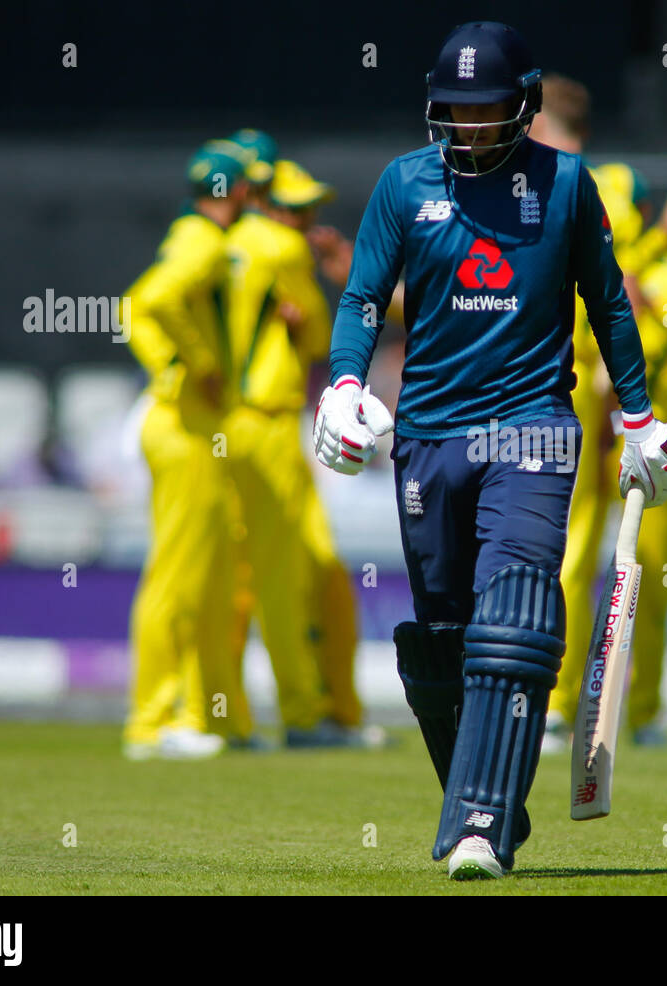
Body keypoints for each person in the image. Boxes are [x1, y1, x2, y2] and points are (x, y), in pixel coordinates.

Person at [313, 21, 667, 879]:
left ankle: (474, 824)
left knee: (514, 610)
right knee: (448, 634)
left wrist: (637, 417)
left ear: (523, 106)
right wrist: (342, 384)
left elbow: (611, 302)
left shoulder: (565, 186)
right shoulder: (404, 184)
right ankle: (491, 806)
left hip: (532, 427)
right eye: (456, 110)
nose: (471, 127)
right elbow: (365, 296)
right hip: (429, 434)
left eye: (487, 111)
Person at [548, 164, 667, 750]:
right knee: (570, 566)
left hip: (650, 446)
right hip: (585, 433)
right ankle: (557, 705)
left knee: (650, 578)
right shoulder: (578, 264)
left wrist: (653, 314)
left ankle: (644, 713)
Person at [222, 158, 383, 747]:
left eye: (308, 208)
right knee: (288, 578)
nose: (304, 220)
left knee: (243, 580)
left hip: (230, 425)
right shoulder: (280, 250)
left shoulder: (232, 241)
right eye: (294, 209)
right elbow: (319, 337)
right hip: (265, 423)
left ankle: (221, 715)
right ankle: (304, 714)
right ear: (266, 203)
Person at [120, 143, 248, 761]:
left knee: (201, 577)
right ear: (238, 194)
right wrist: (192, 364)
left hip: (190, 422)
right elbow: (149, 300)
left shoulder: (191, 232)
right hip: (184, 425)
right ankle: (153, 720)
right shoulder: (202, 241)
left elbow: (140, 306)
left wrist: (172, 364)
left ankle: (199, 714)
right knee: (176, 577)